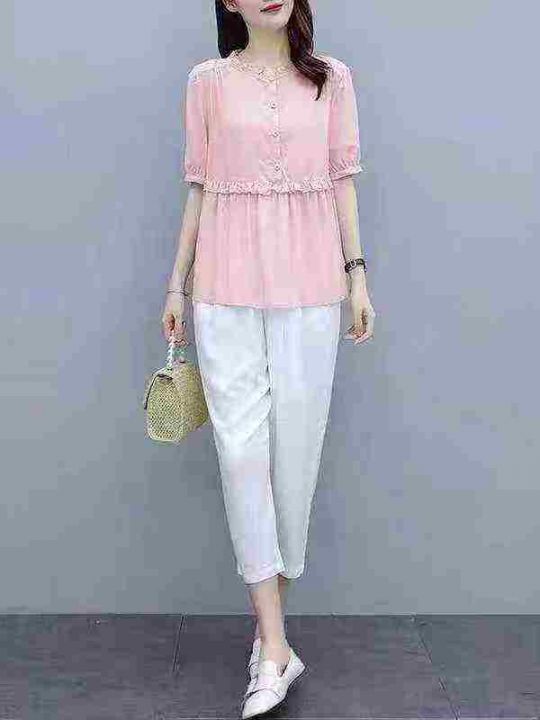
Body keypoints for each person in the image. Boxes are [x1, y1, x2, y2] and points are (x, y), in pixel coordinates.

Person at [161, 0, 375, 716]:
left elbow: (343, 179)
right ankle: (276, 646)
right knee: (241, 457)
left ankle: (270, 642)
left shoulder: (332, 79)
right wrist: (176, 282)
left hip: (312, 286)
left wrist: (358, 276)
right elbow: (198, 188)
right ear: (228, 1)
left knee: (295, 460)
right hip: (223, 287)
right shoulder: (206, 83)